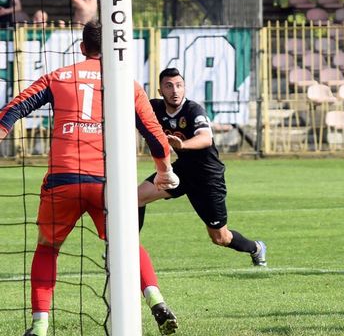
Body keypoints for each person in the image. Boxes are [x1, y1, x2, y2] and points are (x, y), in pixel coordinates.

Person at [0, 21, 181, 336]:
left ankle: (40, 326)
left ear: (82, 48)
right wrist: (164, 170)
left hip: (62, 180)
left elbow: (12, 110)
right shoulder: (127, 83)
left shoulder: (58, 76)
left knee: (47, 248)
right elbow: (154, 134)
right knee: (125, 243)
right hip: (107, 182)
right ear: (114, 49)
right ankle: (156, 300)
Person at [138, 68, 267, 267]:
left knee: (220, 237)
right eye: (169, 86)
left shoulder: (193, 110)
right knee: (137, 198)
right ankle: (128, 250)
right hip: (181, 171)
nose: (175, 90)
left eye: (179, 85)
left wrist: (183, 145)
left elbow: (206, 138)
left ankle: (256, 248)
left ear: (185, 87)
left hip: (208, 177)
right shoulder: (154, 108)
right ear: (160, 90)